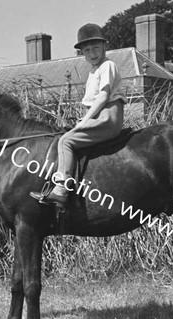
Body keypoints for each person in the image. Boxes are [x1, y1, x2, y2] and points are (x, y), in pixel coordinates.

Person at [30, 23, 126, 208]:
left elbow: (104, 96)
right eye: (87, 50)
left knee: (65, 141)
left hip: (107, 117)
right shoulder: (94, 70)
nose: (92, 53)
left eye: (96, 48)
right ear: (82, 53)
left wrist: (86, 120)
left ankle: (61, 190)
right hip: (100, 116)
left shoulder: (107, 65)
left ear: (105, 46)